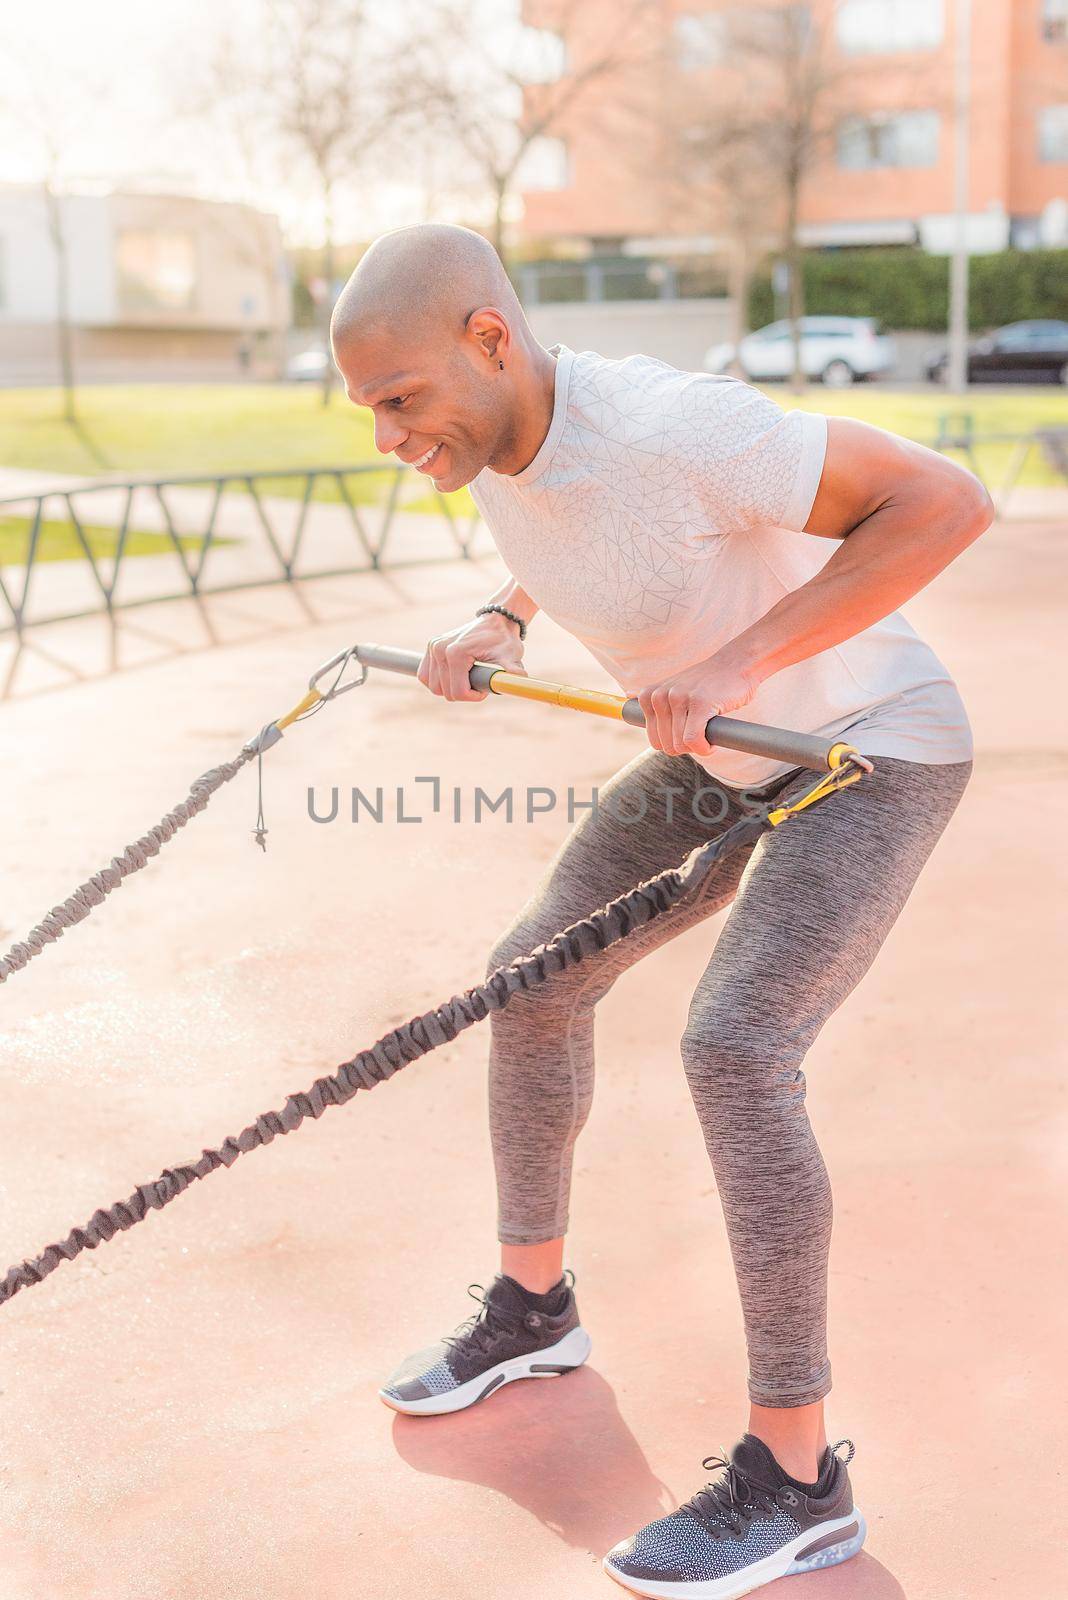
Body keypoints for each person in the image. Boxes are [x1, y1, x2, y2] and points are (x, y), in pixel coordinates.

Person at [329, 224, 991, 1599]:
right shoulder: (508, 437)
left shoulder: (678, 425)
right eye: (370, 410)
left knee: (738, 1047)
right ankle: (532, 1309)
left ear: (490, 340)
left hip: (869, 751)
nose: (390, 435)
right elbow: (571, 522)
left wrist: (743, 657)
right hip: (720, 755)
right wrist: (499, 620)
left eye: (402, 399)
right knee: (535, 975)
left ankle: (800, 1480)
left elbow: (946, 500)